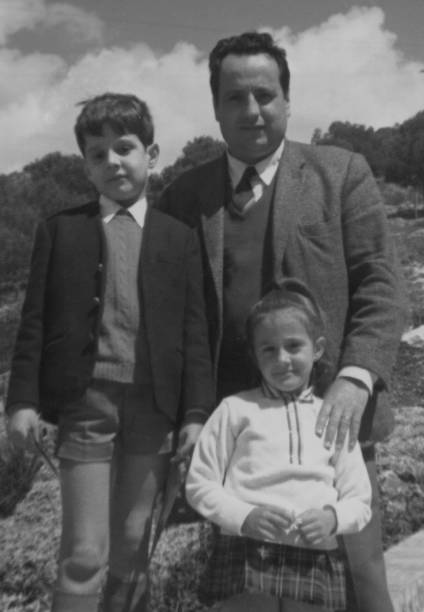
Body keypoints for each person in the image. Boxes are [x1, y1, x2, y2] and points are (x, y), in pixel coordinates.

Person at [158, 31, 405, 612]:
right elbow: (168, 316)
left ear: (288, 101)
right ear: (216, 106)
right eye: (235, 97)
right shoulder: (182, 196)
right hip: (235, 430)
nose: (252, 110)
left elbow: (381, 283)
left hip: (334, 417)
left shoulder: (341, 172)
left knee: (361, 572)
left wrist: (355, 376)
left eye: (265, 95)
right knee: (246, 587)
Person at [6, 92, 214, 612]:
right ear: (85, 166)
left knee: (131, 550)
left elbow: (194, 333)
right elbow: (33, 322)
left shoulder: (180, 238)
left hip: (155, 409)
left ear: (153, 153)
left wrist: (194, 414)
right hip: (86, 407)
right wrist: (22, 402)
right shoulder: (59, 231)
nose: (112, 162)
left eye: (124, 147)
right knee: (82, 554)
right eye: (97, 154)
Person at [186, 279, 372, 612]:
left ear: (316, 349)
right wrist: (244, 516)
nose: (282, 358)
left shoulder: (332, 416)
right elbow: (199, 484)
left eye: (293, 346)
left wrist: (332, 518)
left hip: (315, 555)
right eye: (269, 349)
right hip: (247, 551)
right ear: (254, 357)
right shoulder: (235, 410)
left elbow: (360, 500)